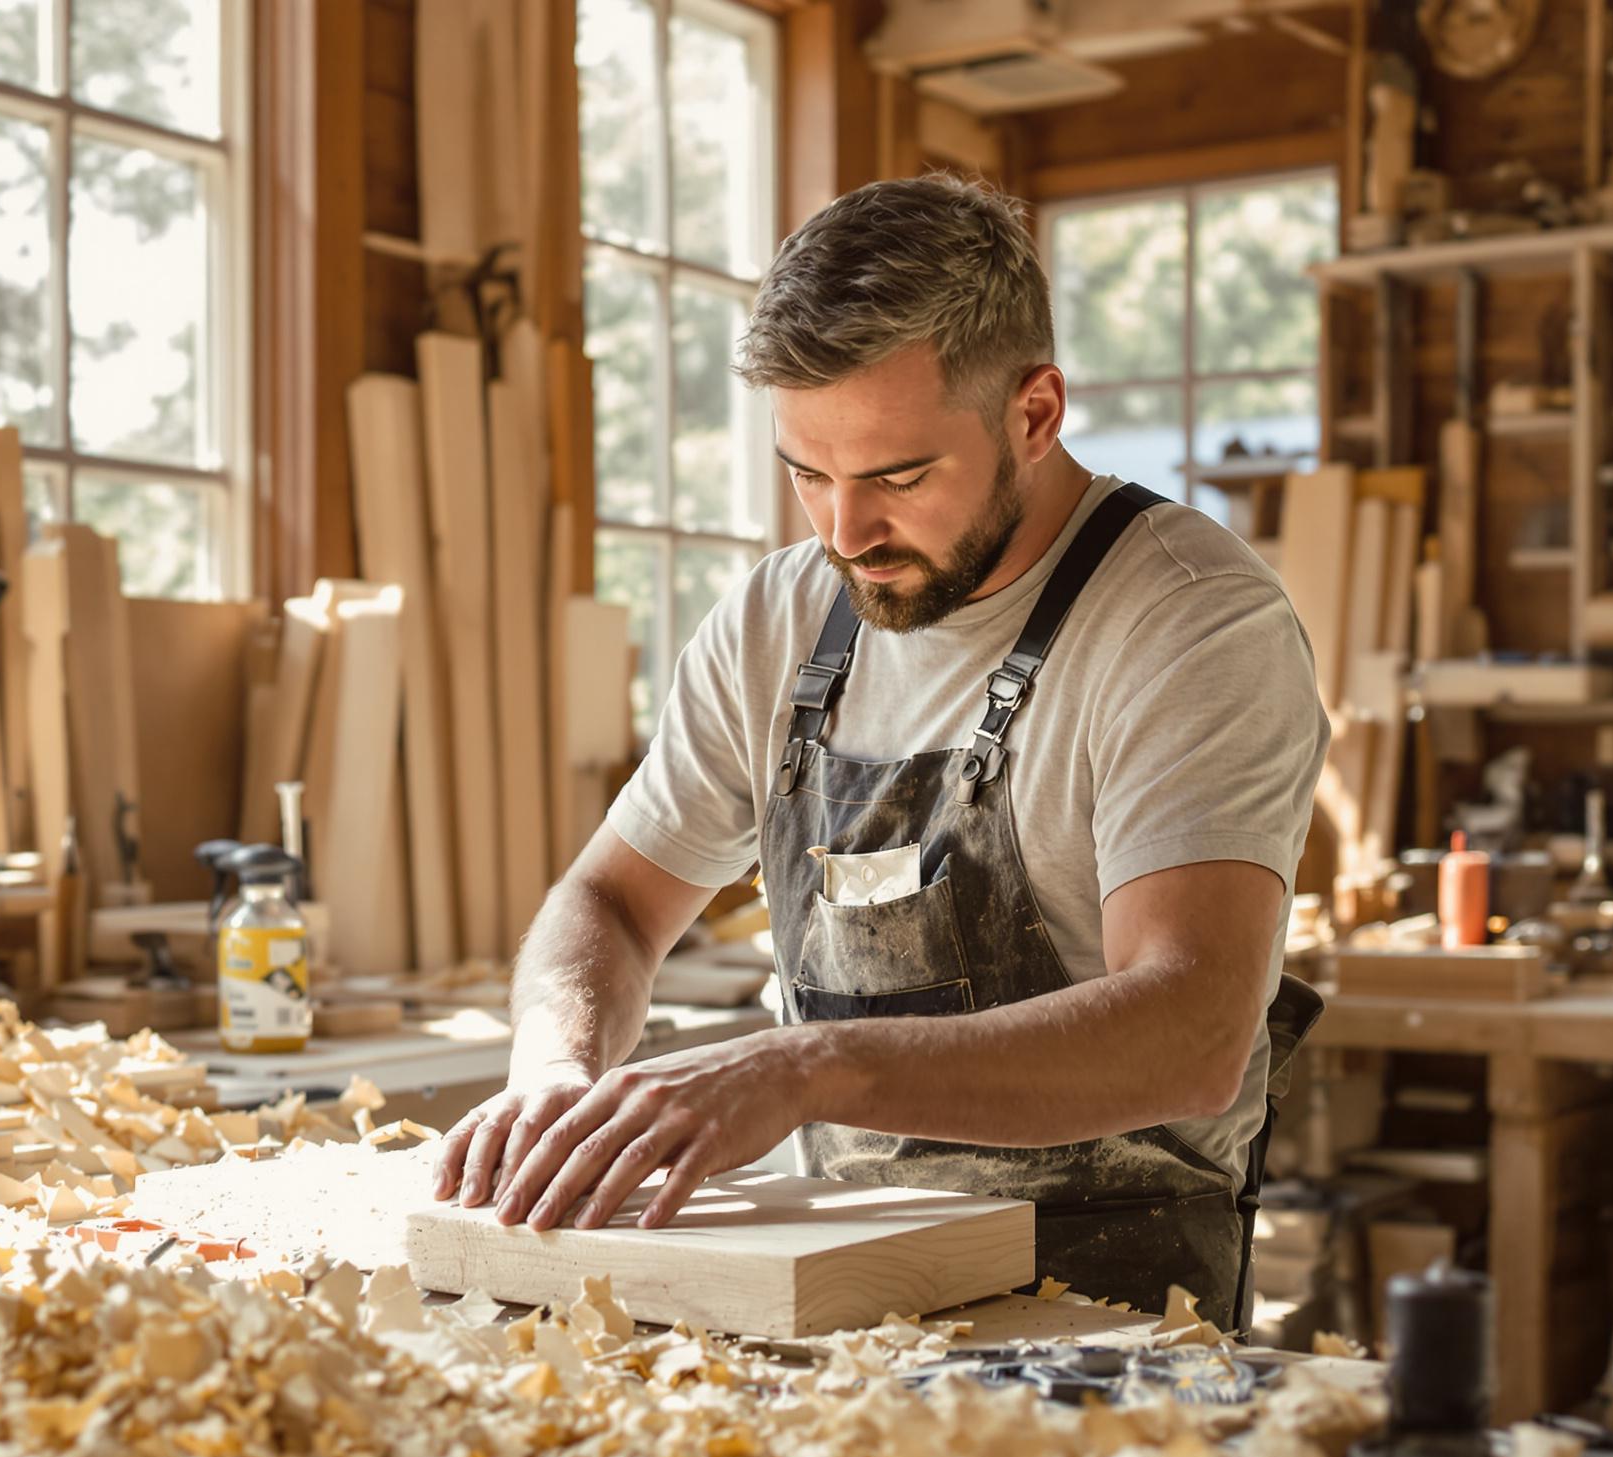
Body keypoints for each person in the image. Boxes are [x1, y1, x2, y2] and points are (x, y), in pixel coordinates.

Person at [431, 174, 1330, 1323]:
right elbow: (609, 899)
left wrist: (811, 1067)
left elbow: (1192, 1023)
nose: (846, 534)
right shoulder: (781, 620)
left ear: (1035, 413)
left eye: (898, 478)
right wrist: (557, 1066)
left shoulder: (1190, 616)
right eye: (808, 474)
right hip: (840, 1280)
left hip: (1105, 1303)